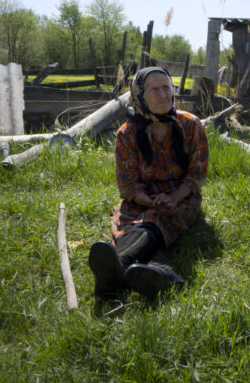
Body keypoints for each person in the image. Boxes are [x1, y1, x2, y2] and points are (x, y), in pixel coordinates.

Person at [88, 66, 209, 301]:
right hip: (140, 199)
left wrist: (172, 198)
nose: (163, 95)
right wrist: (152, 201)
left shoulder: (191, 125)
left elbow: (197, 175)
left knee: (151, 219)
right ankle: (167, 276)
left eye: (167, 88)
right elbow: (128, 187)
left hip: (182, 196)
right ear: (139, 96)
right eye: (154, 90)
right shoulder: (127, 134)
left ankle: (115, 270)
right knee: (137, 220)